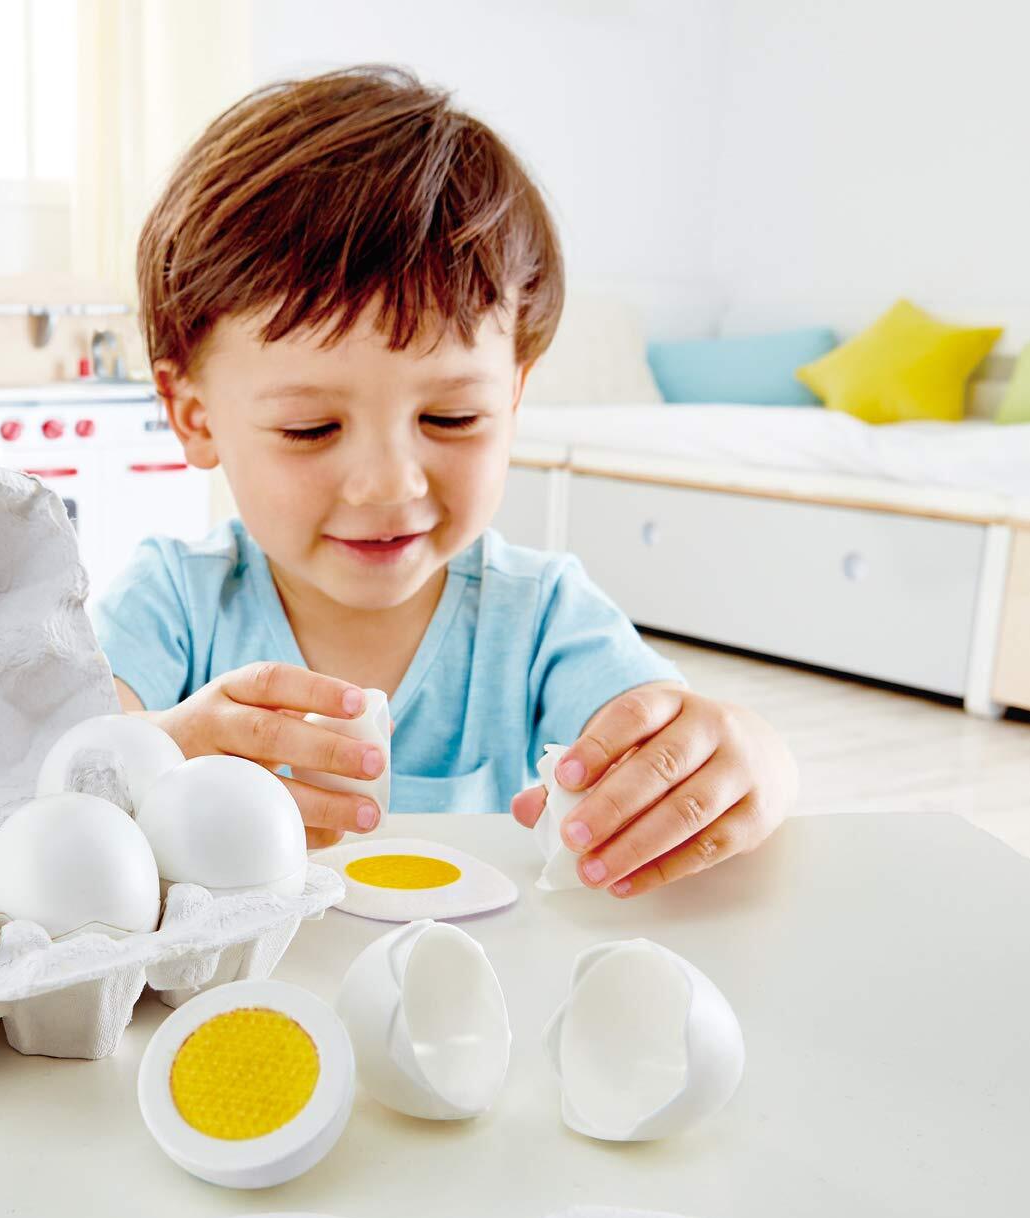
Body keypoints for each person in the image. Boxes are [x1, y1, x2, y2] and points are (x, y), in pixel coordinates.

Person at [93, 66, 796, 900]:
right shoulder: (172, 601)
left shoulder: (541, 618)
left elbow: (671, 743)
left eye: (453, 418)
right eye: (311, 428)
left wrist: (750, 757)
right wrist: (153, 760)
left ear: (514, 395)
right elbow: (58, 772)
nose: (388, 485)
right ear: (194, 415)